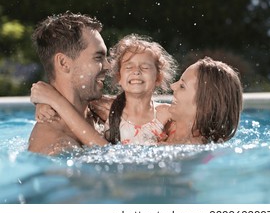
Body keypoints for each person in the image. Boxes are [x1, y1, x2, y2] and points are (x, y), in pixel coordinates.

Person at [31, 56, 243, 147]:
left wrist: (56, 100)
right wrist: (48, 101)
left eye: (183, 86)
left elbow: (105, 153)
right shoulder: (173, 121)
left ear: (203, 105)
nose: (172, 87)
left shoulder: (188, 149)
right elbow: (113, 106)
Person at [28, 11, 110, 155]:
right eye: (98, 58)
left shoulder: (96, 114)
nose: (108, 66)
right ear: (64, 63)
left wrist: (55, 101)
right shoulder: (57, 147)